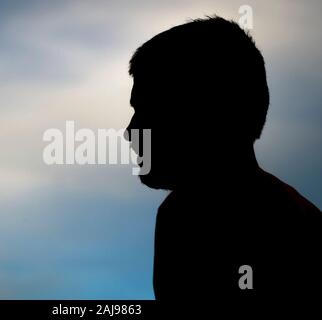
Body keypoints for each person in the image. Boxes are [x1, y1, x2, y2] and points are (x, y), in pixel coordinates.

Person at [125, 16, 322, 302]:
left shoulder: (288, 232)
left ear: (203, 114)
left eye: (148, 110)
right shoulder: (178, 216)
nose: (131, 131)